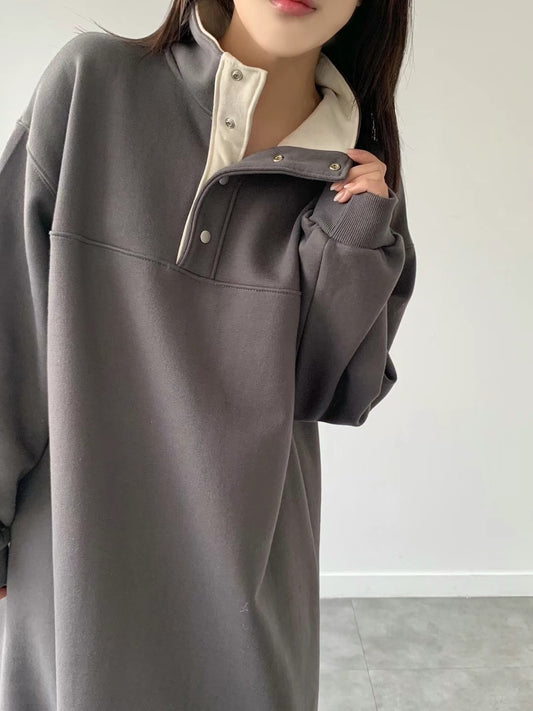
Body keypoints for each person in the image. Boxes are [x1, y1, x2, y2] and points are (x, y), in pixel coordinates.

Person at [0, 0, 416, 708]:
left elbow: (335, 391)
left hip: (251, 591)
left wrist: (350, 241)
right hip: (76, 574)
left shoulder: (356, 184)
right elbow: (9, 317)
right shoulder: (93, 85)